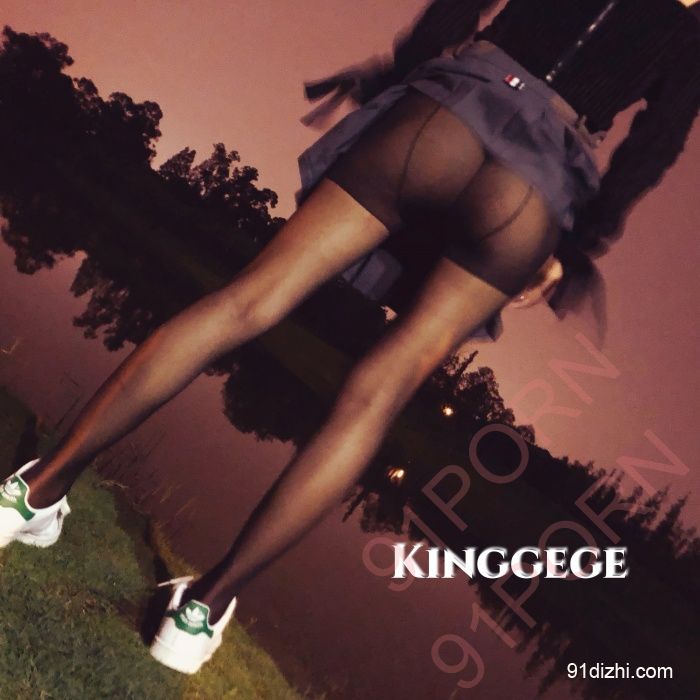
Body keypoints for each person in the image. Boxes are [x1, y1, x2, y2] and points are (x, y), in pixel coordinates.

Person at [1, 0, 698, 675]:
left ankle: (31, 493)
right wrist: (578, 243)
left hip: (451, 109)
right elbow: (655, 145)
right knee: (378, 393)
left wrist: (408, 73)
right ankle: (200, 614)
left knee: (246, 302)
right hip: (537, 181)